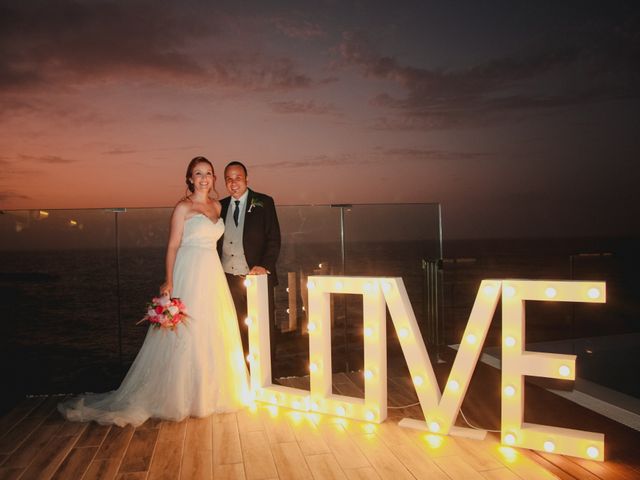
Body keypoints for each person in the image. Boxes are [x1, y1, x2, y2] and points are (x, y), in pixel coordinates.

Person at [58, 157, 249, 427]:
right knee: (186, 334)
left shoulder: (219, 206)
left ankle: (211, 394)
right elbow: (172, 246)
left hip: (213, 272)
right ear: (190, 179)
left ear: (214, 178)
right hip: (189, 270)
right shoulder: (183, 207)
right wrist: (169, 280)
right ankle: (182, 397)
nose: (204, 178)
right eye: (198, 173)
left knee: (213, 329)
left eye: (208, 173)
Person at [218, 161, 281, 368]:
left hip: (257, 278)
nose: (233, 182)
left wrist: (264, 266)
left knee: (262, 330)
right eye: (228, 178)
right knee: (236, 330)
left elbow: (274, 239)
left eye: (237, 177)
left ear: (247, 179)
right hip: (228, 279)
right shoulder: (220, 206)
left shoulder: (264, 202)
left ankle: (266, 377)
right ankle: (244, 376)